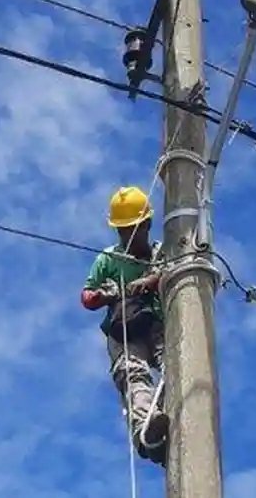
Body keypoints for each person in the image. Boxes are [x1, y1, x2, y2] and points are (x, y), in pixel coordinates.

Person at [81, 186, 170, 466]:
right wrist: (106, 294)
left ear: (146, 225)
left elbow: (175, 272)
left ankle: (175, 418)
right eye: (122, 230)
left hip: (157, 325)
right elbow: (87, 296)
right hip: (124, 329)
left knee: (176, 367)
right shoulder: (108, 259)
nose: (127, 235)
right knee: (132, 374)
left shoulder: (162, 254)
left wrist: (151, 281)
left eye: (132, 228)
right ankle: (147, 431)